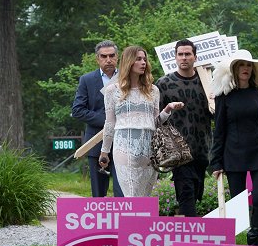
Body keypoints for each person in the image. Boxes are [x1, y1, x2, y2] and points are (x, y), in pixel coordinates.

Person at [98, 45, 184, 197]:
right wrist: (104, 151)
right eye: (138, 59)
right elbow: (110, 123)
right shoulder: (112, 91)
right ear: (129, 62)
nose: (143, 62)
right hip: (124, 146)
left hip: (149, 149)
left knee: (145, 197)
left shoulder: (153, 90)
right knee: (131, 196)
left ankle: (142, 222)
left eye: (144, 59)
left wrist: (168, 109)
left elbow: (156, 123)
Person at [210, 50, 258, 246]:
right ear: (235, 70)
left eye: (248, 65)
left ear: (252, 70)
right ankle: (239, 244)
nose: (245, 68)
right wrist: (216, 161)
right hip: (233, 153)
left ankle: (255, 237)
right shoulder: (224, 97)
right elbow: (219, 130)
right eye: (241, 65)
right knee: (238, 201)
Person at [155, 39, 213, 216]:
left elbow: (216, 112)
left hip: (202, 148)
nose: (184, 58)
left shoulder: (207, 82)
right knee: (186, 192)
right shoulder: (164, 84)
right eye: (180, 54)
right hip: (178, 149)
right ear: (175, 57)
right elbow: (156, 119)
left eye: (188, 54)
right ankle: (192, 233)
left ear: (195, 57)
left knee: (195, 192)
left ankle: (188, 229)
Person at [71, 40, 124, 197]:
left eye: (112, 56)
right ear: (97, 59)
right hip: (96, 143)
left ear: (117, 57)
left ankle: (125, 222)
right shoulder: (87, 80)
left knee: (123, 194)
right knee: (99, 195)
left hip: (124, 143)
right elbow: (77, 110)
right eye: (104, 56)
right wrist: (108, 121)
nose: (108, 59)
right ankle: (102, 222)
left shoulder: (127, 77)